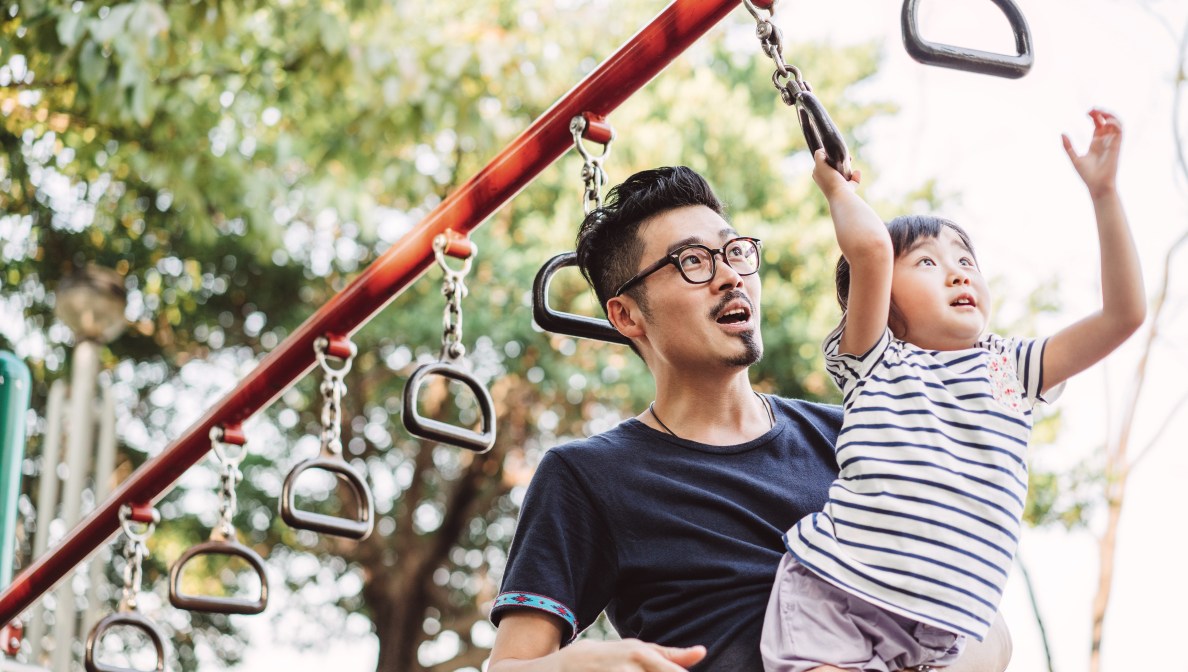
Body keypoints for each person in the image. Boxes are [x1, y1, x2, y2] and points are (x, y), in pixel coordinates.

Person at [488, 164, 1015, 671]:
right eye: (692, 261)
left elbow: (978, 625)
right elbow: (509, 667)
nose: (729, 276)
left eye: (735, 252)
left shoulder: (856, 431)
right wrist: (583, 666)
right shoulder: (586, 477)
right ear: (626, 314)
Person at [760, 108, 1146, 672]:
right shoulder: (875, 359)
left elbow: (1123, 315)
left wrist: (1105, 195)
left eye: (967, 260)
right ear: (884, 297)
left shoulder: (1011, 368)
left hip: (943, 628)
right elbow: (868, 249)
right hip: (839, 594)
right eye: (927, 261)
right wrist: (836, 188)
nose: (960, 272)